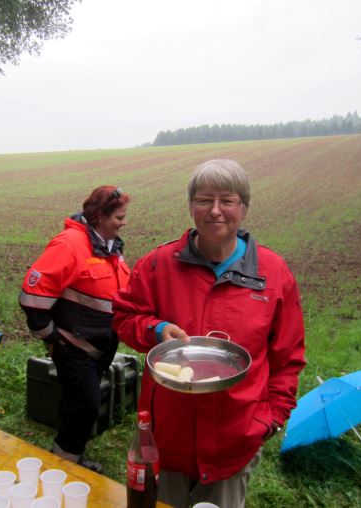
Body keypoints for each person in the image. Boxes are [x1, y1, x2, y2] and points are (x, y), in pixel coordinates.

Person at [113, 159, 306, 507]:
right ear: (191, 207)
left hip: (234, 442)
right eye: (204, 200)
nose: (215, 210)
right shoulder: (158, 264)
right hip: (165, 438)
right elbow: (125, 315)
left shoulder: (273, 274)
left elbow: (288, 357)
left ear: (243, 208)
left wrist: (271, 420)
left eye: (227, 200)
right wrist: (154, 329)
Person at [19, 185, 131, 473]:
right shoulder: (69, 244)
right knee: (86, 406)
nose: (123, 222)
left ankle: (68, 458)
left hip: (98, 348)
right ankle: (63, 469)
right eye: (119, 217)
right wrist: (52, 338)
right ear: (99, 216)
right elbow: (32, 296)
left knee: (78, 404)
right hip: (74, 347)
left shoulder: (109, 246)